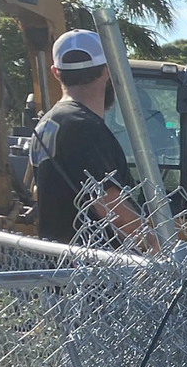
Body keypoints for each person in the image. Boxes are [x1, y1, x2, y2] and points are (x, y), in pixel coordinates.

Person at [29, 29, 143, 243]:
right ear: (109, 70)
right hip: (95, 264)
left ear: (56, 72)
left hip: (60, 261)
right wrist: (159, 248)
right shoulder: (83, 126)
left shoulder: (46, 124)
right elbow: (113, 209)